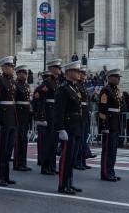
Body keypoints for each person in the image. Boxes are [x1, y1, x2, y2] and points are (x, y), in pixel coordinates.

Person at [54, 60, 83, 195]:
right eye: (76, 71)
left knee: (72, 157)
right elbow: (58, 111)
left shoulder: (75, 88)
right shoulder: (63, 89)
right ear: (69, 73)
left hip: (75, 127)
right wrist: (60, 129)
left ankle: (69, 182)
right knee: (66, 158)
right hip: (68, 127)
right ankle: (62, 185)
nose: (79, 74)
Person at [0, 56, 17, 186]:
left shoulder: (12, 82)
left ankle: (5, 176)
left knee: (8, 150)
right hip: (3, 119)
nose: (12, 69)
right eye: (10, 66)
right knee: (1, 150)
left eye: (13, 66)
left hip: (11, 118)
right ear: (4, 67)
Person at [36, 59, 62, 175]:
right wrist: (42, 117)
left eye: (59, 67)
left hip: (54, 114)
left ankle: (52, 166)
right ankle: (45, 167)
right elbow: (41, 101)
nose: (58, 69)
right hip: (49, 114)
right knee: (47, 142)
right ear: (52, 69)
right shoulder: (47, 83)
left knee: (54, 142)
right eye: (56, 67)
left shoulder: (57, 82)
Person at [98, 68, 122, 182]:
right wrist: (104, 126)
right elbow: (102, 110)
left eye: (118, 77)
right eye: (116, 77)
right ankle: (105, 173)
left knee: (113, 150)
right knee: (107, 150)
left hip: (115, 123)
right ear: (110, 78)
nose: (118, 79)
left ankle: (111, 171)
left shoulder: (115, 90)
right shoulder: (105, 90)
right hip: (109, 124)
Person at [13, 65, 32, 171]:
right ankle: (17, 163)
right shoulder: (15, 85)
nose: (25, 75)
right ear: (18, 74)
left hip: (25, 116)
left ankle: (23, 162)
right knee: (18, 140)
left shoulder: (27, 86)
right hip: (18, 116)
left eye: (26, 73)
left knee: (24, 140)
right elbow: (14, 103)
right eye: (22, 73)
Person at [75, 65, 92, 170]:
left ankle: (82, 160)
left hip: (85, 114)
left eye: (85, 74)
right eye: (83, 73)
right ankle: (77, 161)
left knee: (84, 139)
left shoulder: (83, 86)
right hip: (80, 115)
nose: (84, 76)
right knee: (79, 139)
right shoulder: (76, 85)